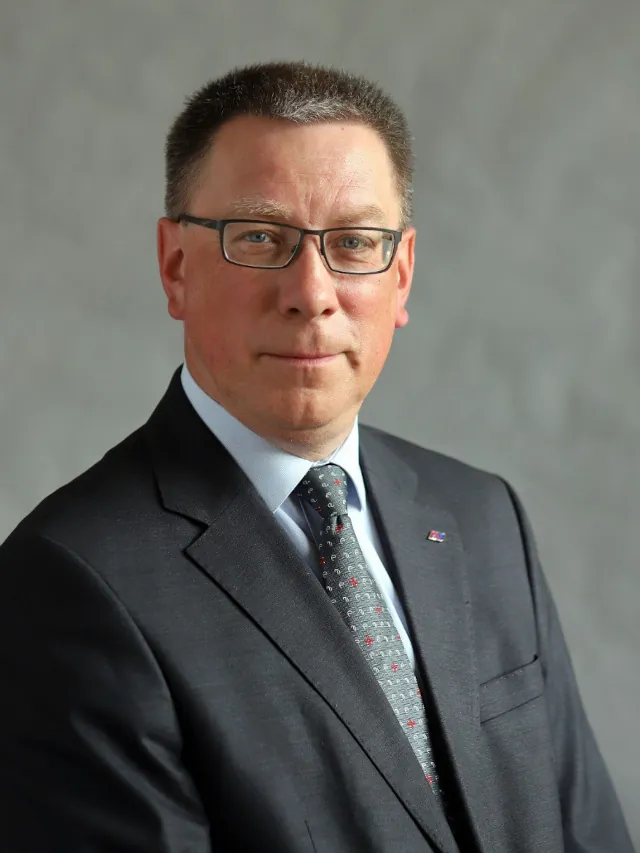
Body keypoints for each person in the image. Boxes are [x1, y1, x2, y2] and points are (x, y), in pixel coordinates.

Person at [0, 60, 633, 853]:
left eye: (355, 242)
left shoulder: (482, 516)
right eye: (259, 238)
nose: (311, 291)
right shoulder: (70, 581)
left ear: (401, 275)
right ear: (176, 267)